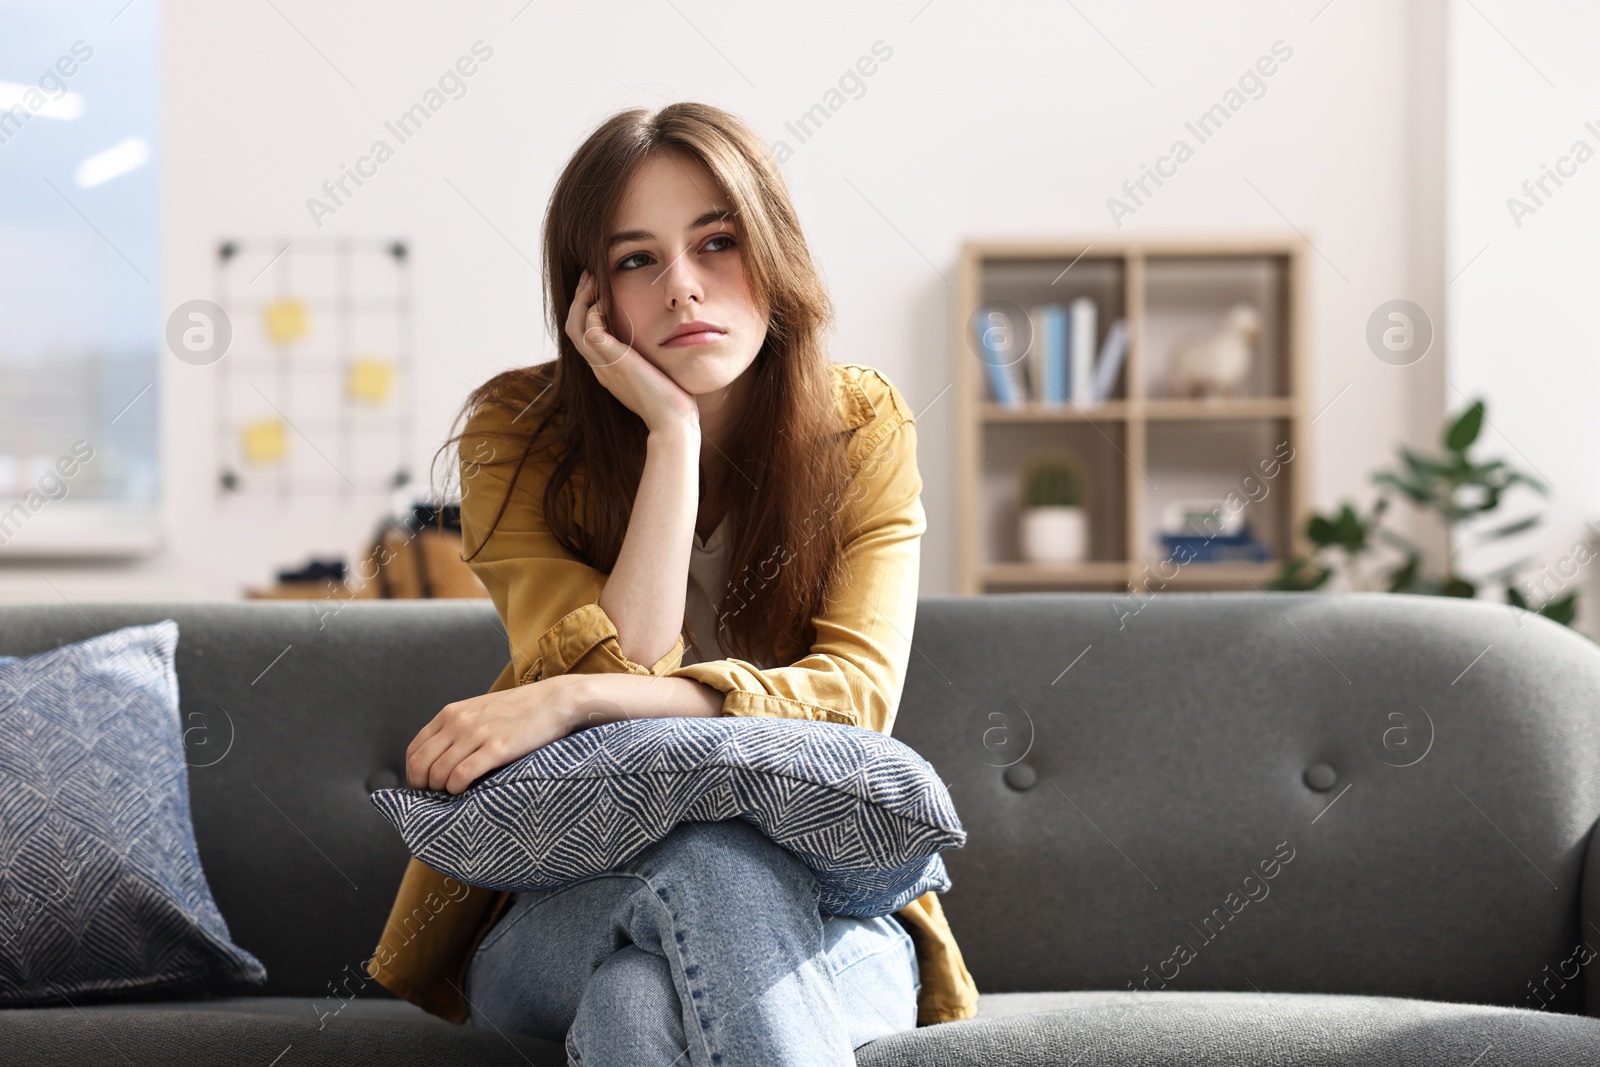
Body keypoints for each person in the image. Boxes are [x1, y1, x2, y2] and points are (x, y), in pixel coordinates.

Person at [365, 102, 977, 1066]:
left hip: (825, 910)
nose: (684, 288)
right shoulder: (514, 434)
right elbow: (636, 650)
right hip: (566, 904)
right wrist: (672, 436)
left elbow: (855, 704)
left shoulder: (860, 424)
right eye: (636, 259)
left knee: (637, 1007)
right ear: (589, 294)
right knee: (707, 864)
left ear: (773, 250)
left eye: (718, 241)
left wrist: (578, 694)